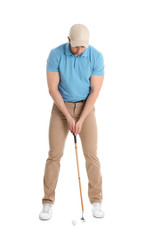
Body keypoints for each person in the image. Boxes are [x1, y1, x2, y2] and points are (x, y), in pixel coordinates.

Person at [39, 24, 105, 221]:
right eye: (76, 46)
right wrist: (68, 117)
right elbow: (53, 89)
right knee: (54, 155)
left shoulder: (96, 56)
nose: (79, 50)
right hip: (61, 108)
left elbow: (95, 91)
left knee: (91, 155)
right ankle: (47, 202)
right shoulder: (55, 54)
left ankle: (96, 200)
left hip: (86, 107)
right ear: (69, 40)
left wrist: (81, 118)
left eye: (83, 47)